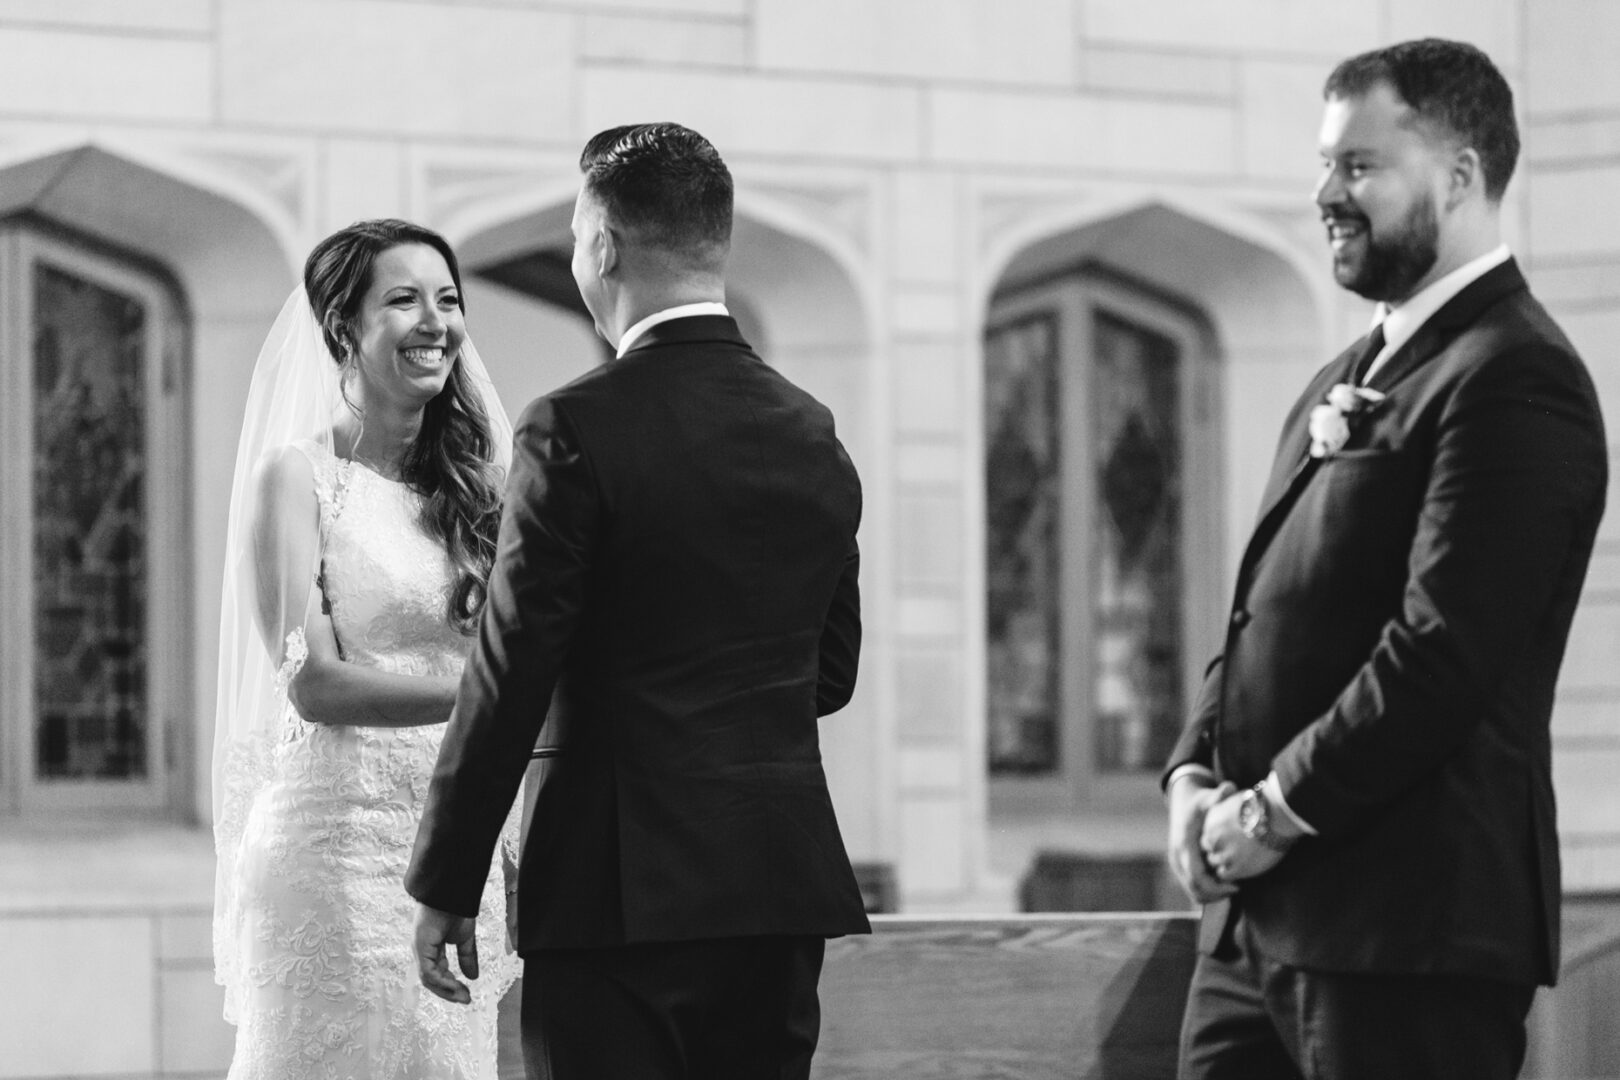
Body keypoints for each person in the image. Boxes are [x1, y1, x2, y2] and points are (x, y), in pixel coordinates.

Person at [1163, 39, 1608, 1080]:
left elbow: (1442, 649)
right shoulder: (1349, 369)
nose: (1326, 193)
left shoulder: (1516, 376)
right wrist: (1192, 771)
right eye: (1326, 165)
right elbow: (1263, 609)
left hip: (1407, 932)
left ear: (1460, 176)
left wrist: (1272, 811)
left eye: (1359, 166)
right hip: (1263, 929)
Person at [405, 122, 870, 1080]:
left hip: (618, 886)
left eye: (579, 236)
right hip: (777, 885)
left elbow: (513, 666)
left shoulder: (572, 426)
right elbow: (829, 672)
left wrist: (447, 879)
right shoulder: (809, 428)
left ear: (604, 245)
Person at [212, 219, 520, 1080]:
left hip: (455, 848)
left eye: (449, 299)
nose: (437, 322)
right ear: (344, 326)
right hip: (335, 852)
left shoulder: (482, 491)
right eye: (404, 300)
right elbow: (310, 684)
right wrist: (492, 695)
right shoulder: (296, 479)